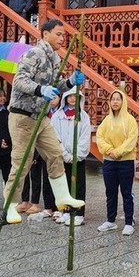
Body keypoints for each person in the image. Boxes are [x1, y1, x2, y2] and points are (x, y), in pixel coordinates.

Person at [5, 19, 85, 224]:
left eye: (63, 35)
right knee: (22, 162)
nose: (61, 38)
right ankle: (9, 206)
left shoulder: (56, 59)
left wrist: (69, 82)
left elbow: (56, 84)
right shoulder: (33, 54)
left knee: (55, 153)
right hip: (23, 116)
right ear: (45, 34)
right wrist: (41, 90)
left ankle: (62, 196)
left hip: (41, 117)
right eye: (58, 34)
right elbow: (20, 80)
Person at [96, 89, 139, 235]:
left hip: (125, 161)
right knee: (110, 192)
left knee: (126, 192)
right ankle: (110, 220)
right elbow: (100, 137)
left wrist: (118, 152)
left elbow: (131, 141)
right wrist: (109, 151)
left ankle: (128, 222)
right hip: (109, 161)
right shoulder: (106, 120)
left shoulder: (130, 120)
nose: (115, 102)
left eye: (118, 99)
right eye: (112, 99)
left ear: (123, 101)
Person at [51, 87, 91, 226]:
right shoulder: (58, 116)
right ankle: (66, 211)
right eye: (70, 96)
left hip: (77, 158)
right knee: (64, 185)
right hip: (63, 156)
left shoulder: (83, 116)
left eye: (76, 96)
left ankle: (79, 213)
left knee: (79, 184)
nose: (73, 99)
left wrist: (77, 155)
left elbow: (85, 137)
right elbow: (55, 136)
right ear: (65, 98)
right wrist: (65, 154)